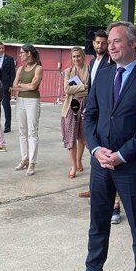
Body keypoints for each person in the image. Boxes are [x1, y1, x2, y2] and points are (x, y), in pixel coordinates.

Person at [66, 21, 136, 271]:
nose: (110, 45)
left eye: (117, 41)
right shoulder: (104, 73)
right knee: (98, 222)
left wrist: (120, 155)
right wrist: (95, 150)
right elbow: (92, 114)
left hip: (130, 166)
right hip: (100, 164)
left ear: (133, 44)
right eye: (109, 41)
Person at [80, 29, 112, 198]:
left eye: (103, 42)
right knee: (92, 148)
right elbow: (91, 88)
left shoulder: (110, 62)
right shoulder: (92, 62)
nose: (100, 45)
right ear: (93, 43)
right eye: (97, 42)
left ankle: (107, 195)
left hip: (105, 112)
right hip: (92, 110)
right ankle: (93, 188)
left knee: (103, 148)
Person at [12, 44, 43, 176]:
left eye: (22, 53)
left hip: (32, 101)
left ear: (29, 53)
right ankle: (24, 158)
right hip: (21, 100)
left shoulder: (38, 68)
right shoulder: (20, 68)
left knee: (32, 131)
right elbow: (13, 86)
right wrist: (25, 86)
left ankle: (32, 162)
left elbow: (33, 87)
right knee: (22, 130)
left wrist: (21, 85)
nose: (20, 55)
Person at [62, 46, 89, 179]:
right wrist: (83, 87)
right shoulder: (68, 71)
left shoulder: (90, 70)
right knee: (71, 136)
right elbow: (67, 90)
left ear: (83, 56)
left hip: (85, 105)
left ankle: (79, 159)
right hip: (71, 107)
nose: (76, 59)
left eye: (78, 56)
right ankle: (73, 166)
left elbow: (91, 89)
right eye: (73, 57)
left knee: (82, 134)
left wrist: (77, 89)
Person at [0, 42, 16, 133]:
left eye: (2, 48)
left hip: (5, 85)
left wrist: (11, 85)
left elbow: (12, 73)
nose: (1, 50)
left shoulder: (9, 59)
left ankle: (7, 125)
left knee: (6, 105)